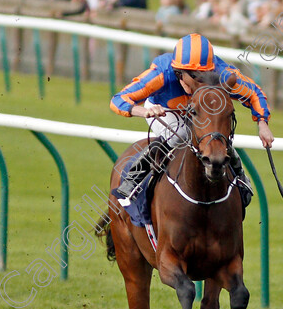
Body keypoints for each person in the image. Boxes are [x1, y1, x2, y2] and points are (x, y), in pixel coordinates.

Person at [109, 34, 273, 205]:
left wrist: (262, 123)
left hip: (201, 111)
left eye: (204, 75)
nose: (200, 81)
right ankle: (134, 178)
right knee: (179, 135)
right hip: (166, 111)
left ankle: (239, 176)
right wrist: (143, 111)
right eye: (194, 75)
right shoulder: (161, 73)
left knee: (217, 135)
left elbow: (254, 93)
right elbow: (118, 99)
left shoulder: (221, 74)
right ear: (179, 72)